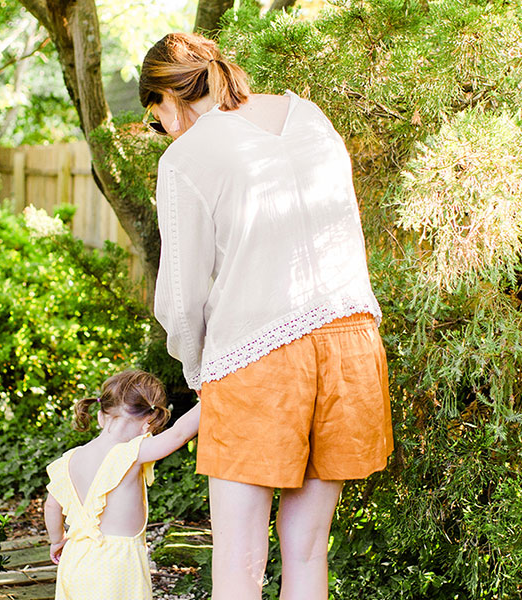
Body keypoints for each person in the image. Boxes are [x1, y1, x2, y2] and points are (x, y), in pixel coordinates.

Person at [139, 32, 393, 600]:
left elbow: (180, 299)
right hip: (351, 346)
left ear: (167, 97)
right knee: (306, 551)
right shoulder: (309, 116)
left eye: (157, 120)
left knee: (238, 563)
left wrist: (199, 368)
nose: (165, 133)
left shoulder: (187, 154)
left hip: (260, 357)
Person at [43, 369, 200, 600]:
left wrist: (57, 540)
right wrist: (209, 398)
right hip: (117, 565)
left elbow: (51, 506)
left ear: (100, 415)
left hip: (75, 558)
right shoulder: (132, 453)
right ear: (149, 422)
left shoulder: (69, 460)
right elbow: (179, 434)